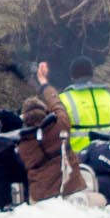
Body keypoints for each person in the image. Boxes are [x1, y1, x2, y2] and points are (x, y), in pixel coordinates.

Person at [13, 62, 84, 201]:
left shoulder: (23, 146)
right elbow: (56, 104)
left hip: (42, 198)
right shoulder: (61, 125)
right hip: (72, 188)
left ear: (25, 121)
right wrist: (44, 83)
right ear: (45, 112)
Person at [58, 56, 110, 153]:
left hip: (77, 160)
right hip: (105, 158)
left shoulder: (63, 99)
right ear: (92, 75)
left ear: (72, 76)